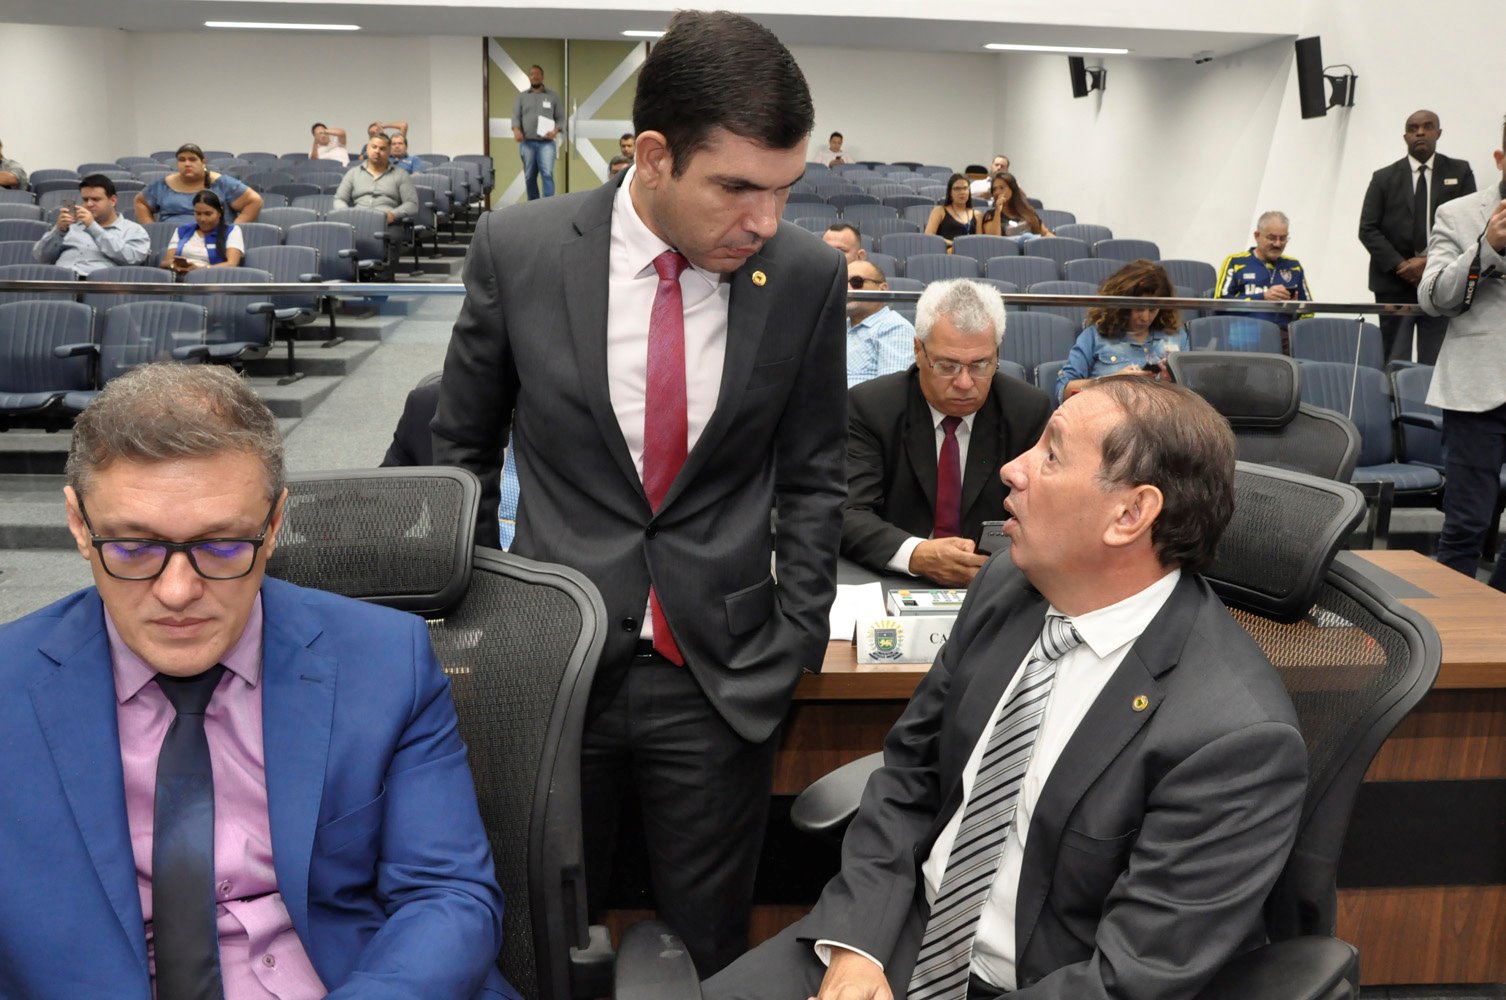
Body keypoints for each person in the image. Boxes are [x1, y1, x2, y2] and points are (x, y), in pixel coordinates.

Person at [431, 9, 846, 977]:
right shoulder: (521, 249)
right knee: (535, 939)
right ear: (653, 156)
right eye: (736, 188)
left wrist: (796, 636)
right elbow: (460, 453)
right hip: (552, 667)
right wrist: (477, 629)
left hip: (722, 678)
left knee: (707, 950)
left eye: (783, 190)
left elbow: (816, 476)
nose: (764, 222)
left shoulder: (805, 276)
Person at [704, 376, 1307, 1000]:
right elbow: (910, 773)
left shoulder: (1234, 738)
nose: (1012, 470)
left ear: (1130, 515)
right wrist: (857, 947)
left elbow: (1125, 981)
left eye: (1051, 454)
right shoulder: (1006, 588)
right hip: (899, 933)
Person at [0, 363, 519, 1000]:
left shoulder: (386, 662)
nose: (178, 592)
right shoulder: (9, 688)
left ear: (273, 526)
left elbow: (447, 896)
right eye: (134, 548)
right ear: (80, 526)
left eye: (222, 546)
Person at [842, 278, 1050, 587]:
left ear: (997, 353)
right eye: (947, 366)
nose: (965, 383)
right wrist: (916, 554)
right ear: (918, 350)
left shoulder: (1027, 411)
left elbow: (1048, 514)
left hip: (996, 580)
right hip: (894, 576)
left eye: (980, 365)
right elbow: (847, 512)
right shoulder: (871, 407)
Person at [1417, 119, 1506, 592]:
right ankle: (1448, 629)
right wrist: (1486, 247)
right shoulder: (1458, 214)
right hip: (1476, 390)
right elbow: (1432, 298)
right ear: (1500, 159)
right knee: (1467, 524)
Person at [1360, 108, 1477, 364]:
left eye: (1427, 126)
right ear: (1405, 137)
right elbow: (1367, 229)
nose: (1420, 133)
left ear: (1438, 133)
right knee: (1394, 360)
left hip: (1441, 280)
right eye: (1413, 129)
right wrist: (1402, 266)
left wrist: (1427, 263)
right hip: (1393, 283)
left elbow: (1470, 224)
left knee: (1435, 361)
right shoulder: (1383, 178)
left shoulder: (1460, 172)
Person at [1056, 259, 1189, 403]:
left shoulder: (1176, 336)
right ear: (1121, 306)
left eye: (1153, 309)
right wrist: (1111, 381)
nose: (1145, 318)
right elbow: (1063, 390)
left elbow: (1192, 394)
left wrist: (1172, 381)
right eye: (1138, 308)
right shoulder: (1094, 336)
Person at [1214, 210, 1314, 341]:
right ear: (1257, 236)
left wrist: (1294, 310)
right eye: (1272, 238)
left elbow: (1309, 311)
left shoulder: (1294, 266)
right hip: (1244, 335)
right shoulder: (1235, 262)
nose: (1278, 244)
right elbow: (1220, 304)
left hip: (1283, 337)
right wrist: (1263, 297)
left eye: (1283, 238)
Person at [31, 173, 150, 276]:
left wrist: (93, 227)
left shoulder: (133, 230)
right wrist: (58, 230)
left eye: (96, 199)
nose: (89, 204)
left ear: (113, 201)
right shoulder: (70, 227)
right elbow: (41, 257)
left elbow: (132, 259)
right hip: (58, 283)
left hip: (97, 287)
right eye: (85, 199)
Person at [136, 143, 262, 226]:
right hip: (170, 241)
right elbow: (140, 202)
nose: (187, 164)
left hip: (214, 241)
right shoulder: (163, 185)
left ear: (203, 162)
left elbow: (254, 201)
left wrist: (234, 230)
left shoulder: (222, 183)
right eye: (182, 160)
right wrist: (152, 230)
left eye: (192, 159)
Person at [845, 258, 917, 388]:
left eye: (856, 282)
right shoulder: (838, 326)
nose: (848, 288)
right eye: (842, 283)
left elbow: (891, 391)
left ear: (882, 289)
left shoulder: (895, 328)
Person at [333, 133, 419, 226]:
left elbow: (412, 204)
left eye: (382, 149)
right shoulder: (353, 173)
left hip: (387, 224)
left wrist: (393, 214)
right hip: (357, 220)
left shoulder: (401, 174)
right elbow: (339, 199)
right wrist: (347, 214)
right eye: (374, 147)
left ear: (389, 152)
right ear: (367, 149)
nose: (377, 151)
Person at [159, 190, 244, 272]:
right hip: (180, 276)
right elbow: (165, 263)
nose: (202, 219)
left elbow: (231, 264)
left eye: (208, 214)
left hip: (211, 278)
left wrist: (200, 270)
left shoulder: (232, 231)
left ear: (220, 212)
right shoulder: (182, 230)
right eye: (198, 213)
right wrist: (173, 266)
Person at [512, 64, 563, 200]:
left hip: (546, 144)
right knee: (529, 176)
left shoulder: (553, 96)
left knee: (547, 174)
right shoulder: (522, 97)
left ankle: (548, 205)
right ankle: (533, 206)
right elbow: (516, 116)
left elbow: (561, 119)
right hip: (527, 143)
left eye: (537, 74)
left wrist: (555, 131)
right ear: (529, 77)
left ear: (542, 76)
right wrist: (516, 130)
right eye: (532, 74)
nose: (535, 76)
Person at [980, 172, 1051, 239]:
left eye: (1002, 188)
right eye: (994, 189)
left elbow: (1045, 233)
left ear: (1012, 189)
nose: (997, 192)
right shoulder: (990, 215)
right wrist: (998, 211)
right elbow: (993, 241)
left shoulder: (1028, 211)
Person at [924, 173, 982, 244]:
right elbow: (929, 236)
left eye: (965, 188)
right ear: (950, 192)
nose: (962, 192)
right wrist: (955, 244)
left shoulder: (977, 214)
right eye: (957, 189)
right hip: (947, 249)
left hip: (970, 250)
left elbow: (979, 242)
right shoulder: (939, 211)